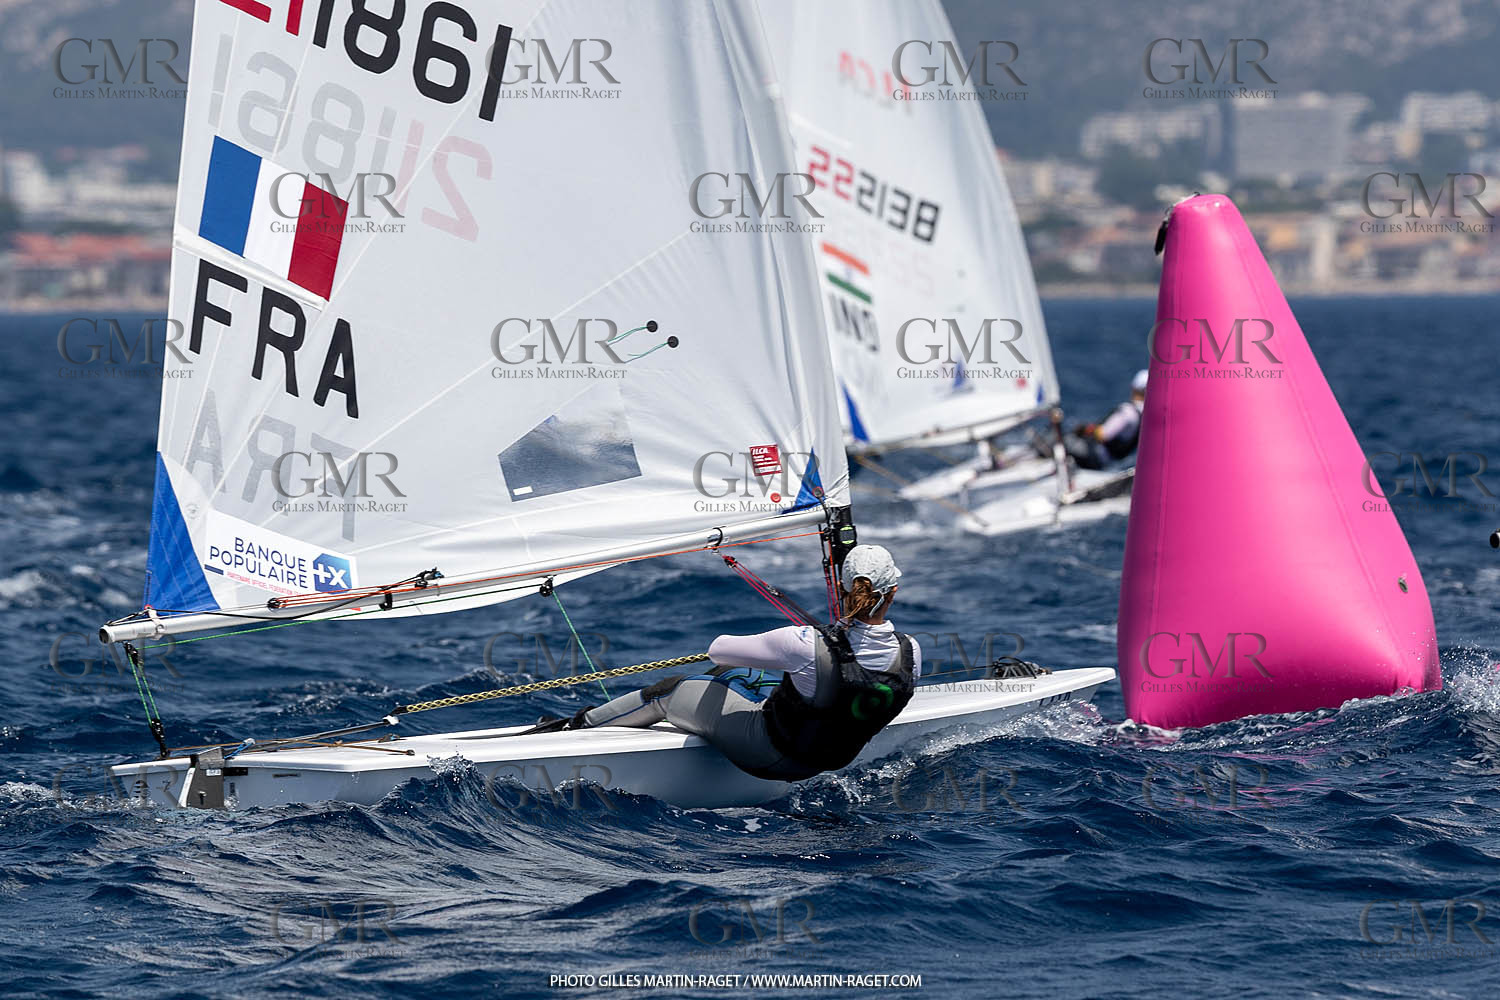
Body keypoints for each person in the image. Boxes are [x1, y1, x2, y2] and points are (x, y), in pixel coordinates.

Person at [530, 545, 922, 782]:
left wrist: (803, 639)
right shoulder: (911, 653)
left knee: (669, 691)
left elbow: (718, 649)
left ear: (840, 588)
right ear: (893, 593)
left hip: (769, 756)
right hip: (825, 762)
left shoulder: (805, 644)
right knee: (741, 676)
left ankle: (576, 728)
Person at [1064, 368, 1147, 470]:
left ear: (1134, 388)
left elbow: (1103, 434)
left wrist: (1084, 429)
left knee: (1061, 440)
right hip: (1105, 461)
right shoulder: (1145, 415)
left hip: (1094, 455)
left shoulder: (1129, 412)